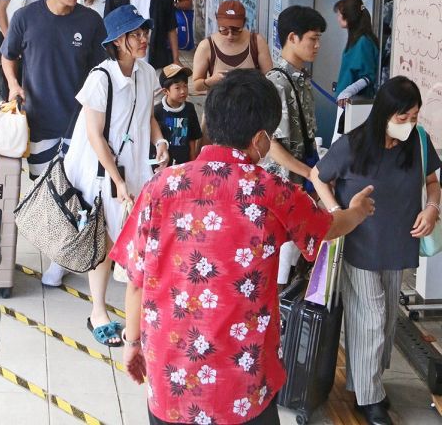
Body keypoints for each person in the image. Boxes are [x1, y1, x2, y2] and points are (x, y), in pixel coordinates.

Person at [109, 68, 375, 425]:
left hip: (170, 380)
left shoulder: (160, 186)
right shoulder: (273, 192)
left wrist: (132, 342)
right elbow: (328, 227)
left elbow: (137, 278)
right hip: (243, 387)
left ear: (207, 120)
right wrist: (357, 211)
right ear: (262, 141)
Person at [312, 76, 441, 425]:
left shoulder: (419, 142)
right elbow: (317, 175)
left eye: (414, 116)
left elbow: (432, 183)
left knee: (383, 321)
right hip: (360, 242)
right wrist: (337, 215)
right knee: (371, 317)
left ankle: (364, 382)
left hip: (399, 243)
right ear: (384, 112)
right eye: (402, 117)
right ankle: (370, 399)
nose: (408, 124)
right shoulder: (354, 144)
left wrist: (432, 208)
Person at [64, 4, 169, 345]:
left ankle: (139, 313)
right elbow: (95, 134)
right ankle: (98, 311)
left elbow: (147, 116)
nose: (144, 39)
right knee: (105, 240)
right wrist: (118, 180)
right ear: (119, 41)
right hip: (105, 174)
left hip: (136, 168)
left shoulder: (146, 72)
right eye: (136, 34)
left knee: (137, 240)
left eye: (144, 32)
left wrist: (160, 141)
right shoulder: (102, 77)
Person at [1, 0, 106, 184]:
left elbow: (102, 71)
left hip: (81, 124)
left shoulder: (91, 21)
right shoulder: (25, 18)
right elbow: (7, 55)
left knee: (77, 189)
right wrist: (13, 84)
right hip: (40, 121)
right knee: (43, 189)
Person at [263, 5, 326, 290]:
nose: (317, 45)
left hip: (298, 184)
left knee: (293, 262)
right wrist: (310, 173)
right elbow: (271, 145)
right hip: (281, 187)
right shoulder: (276, 83)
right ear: (292, 38)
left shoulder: (301, 80)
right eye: (312, 39)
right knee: (278, 265)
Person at [192, 0, 273, 93]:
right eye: (224, 29)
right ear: (217, 22)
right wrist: (211, 81)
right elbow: (197, 85)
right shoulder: (206, 46)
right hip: (220, 105)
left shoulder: (257, 42)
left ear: (244, 23)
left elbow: (270, 79)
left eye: (236, 30)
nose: (230, 35)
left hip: (252, 104)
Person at [332, 0, 379, 137]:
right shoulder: (357, 39)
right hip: (346, 103)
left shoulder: (363, 42)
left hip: (355, 105)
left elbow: (368, 76)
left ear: (349, 17)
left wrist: (348, 91)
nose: (337, 17)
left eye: (340, 14)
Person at [154, 63, 202, 165]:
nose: (183, 91)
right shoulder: (157, 111)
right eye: (177, 88)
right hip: (164, 162)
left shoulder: (189, 108)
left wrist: (192, 158)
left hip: (184, 162)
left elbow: (193, 136)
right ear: (165, 91)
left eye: (185, 86)